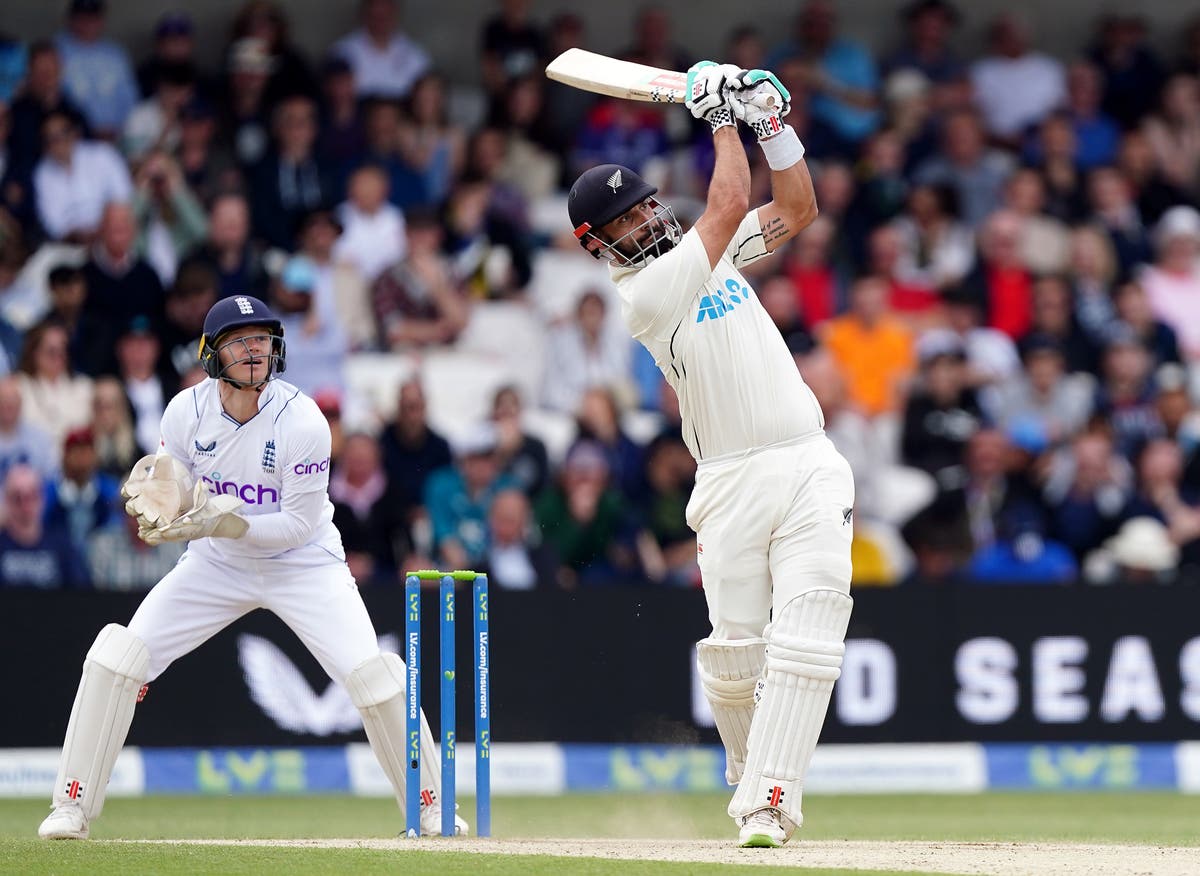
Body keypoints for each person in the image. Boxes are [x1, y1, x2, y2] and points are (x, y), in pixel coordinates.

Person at [37, 294, 465, 840]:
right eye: (239, 340)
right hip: (216, 565)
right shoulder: (184, 412)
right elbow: (177, 495)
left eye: (261, 338)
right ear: (211, 353)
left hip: (304, 563)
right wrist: (169, 513)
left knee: (375, 675)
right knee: (118, 655)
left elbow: (296, 526)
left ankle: (430, 807)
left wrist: (219, 522)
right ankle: (71, 806)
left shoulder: (304, 420)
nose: (253, 349)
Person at [565, 62, 853, 847]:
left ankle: (768, 801)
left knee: (811, 632)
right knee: (736, 657)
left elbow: (798, 206)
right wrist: (717, 114)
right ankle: (750, 765)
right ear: (597, 243)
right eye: (629, 215)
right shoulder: (647, 294)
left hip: (808, 459)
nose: (648, 216)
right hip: (729, 481)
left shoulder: (707, 255)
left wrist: (769, 124)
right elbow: (727, 202)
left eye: (649, 201)